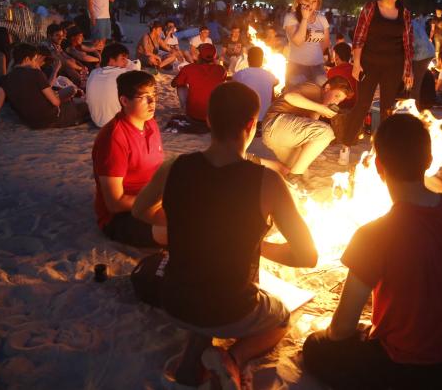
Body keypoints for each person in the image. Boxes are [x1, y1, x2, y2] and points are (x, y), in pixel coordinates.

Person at [131, 82, 318, 389]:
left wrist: (187, 223)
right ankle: (234, 357)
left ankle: (196, 355)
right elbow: (307, 256)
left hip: (174, 300)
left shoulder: (175, 167)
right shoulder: (266, 182)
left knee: (203, 283)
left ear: (208, 120)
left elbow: (140, 211)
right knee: (281, 315)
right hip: (231, 308)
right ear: (251, 124)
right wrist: (259, 243)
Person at [303, 114, 442, 389]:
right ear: (429, 161)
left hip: (405, 369)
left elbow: (341, 328)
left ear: (378, 166)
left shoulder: (374, 235)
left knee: (315, 346)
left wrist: (332, 332)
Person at [92, 71, 165, 247]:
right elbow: (115, 203)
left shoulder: (150, 124)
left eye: (153, 95)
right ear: (124, 101)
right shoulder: (114, 138)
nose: (152, 102)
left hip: (152, 199)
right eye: (144, 97)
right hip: (123, 216)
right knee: (186, 230)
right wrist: (161, 199)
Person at [342, 0, 414, 147]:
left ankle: (384, 145)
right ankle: (346, 142)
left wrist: (408, 70)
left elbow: (408, 44)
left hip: (393, 66)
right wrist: (356, 63)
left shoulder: (404, 14)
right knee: (363, 103)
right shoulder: (370, 8)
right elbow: (359, 37)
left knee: (387, 108)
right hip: (369, 63)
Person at [0, 44, 89, 133]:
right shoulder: (35, 74)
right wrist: (64, 98)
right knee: (85, 107)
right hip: (51, 119)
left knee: (75, 103)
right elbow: (55, 102)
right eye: (34, 59)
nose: (35, 62)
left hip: (30, 122)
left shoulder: (4, 80)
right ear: (27, 59)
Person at [262, 76, 352, 186]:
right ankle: (294, 177)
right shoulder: (314, 89)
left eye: (340, 100)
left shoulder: (319, 105)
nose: (336, 102)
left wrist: (319, 110)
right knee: (326, 133)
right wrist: (320, 108)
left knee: (302, 173)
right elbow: (289, 96)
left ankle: (290, 181)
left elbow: (309, 136)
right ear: (327, 88)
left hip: (281, 135)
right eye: (336, 95)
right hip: (275, 124)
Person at [283, 0, 331, 88]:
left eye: (314, 1)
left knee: (318, 98)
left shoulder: (322, 19)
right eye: (306, 0)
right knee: (296, 100)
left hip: (318, 67)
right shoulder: (291, 18)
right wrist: (305, 19)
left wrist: (315, 56)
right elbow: (298, 42)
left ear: (318, 2)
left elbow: (326, 41)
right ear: (299, 0)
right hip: (297, 67)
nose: (310, 4)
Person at [171, 43, 226, 124]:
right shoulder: (221, 70)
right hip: (213, 115)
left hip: (194, 114)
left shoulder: (189, 68)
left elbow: (174, 84)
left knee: (181, 85)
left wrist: (183, 74)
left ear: (200, 55)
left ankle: (184, 108)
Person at [86, 43, 138, 127]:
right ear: (111, 60)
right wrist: (130, 64)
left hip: (97, 122)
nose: (125, 62)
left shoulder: (94, 72)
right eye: (123, 59)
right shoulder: (123, 73)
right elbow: (137, 71)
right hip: (118, 123)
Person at [233, 46, 279, 124]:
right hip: (264, 118)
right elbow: (276, 82)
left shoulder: (241, 74)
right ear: (261, 60)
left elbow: (233, 81)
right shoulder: (270, 75)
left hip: (247, 118)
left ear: (248, 60)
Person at [43, 24, 85, 88]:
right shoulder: (47, 45)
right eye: (57, 35)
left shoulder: (56, 44)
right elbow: (63, 61)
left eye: (62, 35)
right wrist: (81, 68)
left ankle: (77, 87)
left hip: (56, 68)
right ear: (49, 36)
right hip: (47, 71)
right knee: (68, 67)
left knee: (72, 61)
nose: (61, 38)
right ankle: (77, 88)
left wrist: (80, 65)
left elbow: (66, 56)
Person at [411, 14, 437, 110]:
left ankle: (413, 110)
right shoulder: (413, 22)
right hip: (427, 51)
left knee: (415, 84)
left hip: (422, 54)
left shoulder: (406, 23)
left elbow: (410, 45)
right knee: (415, 83)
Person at [325, 42, 357, 109]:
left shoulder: (332, 72)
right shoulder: (355, 70)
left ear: (336, 56)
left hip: (338, 107)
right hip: (354, 107)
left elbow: (327, 92)